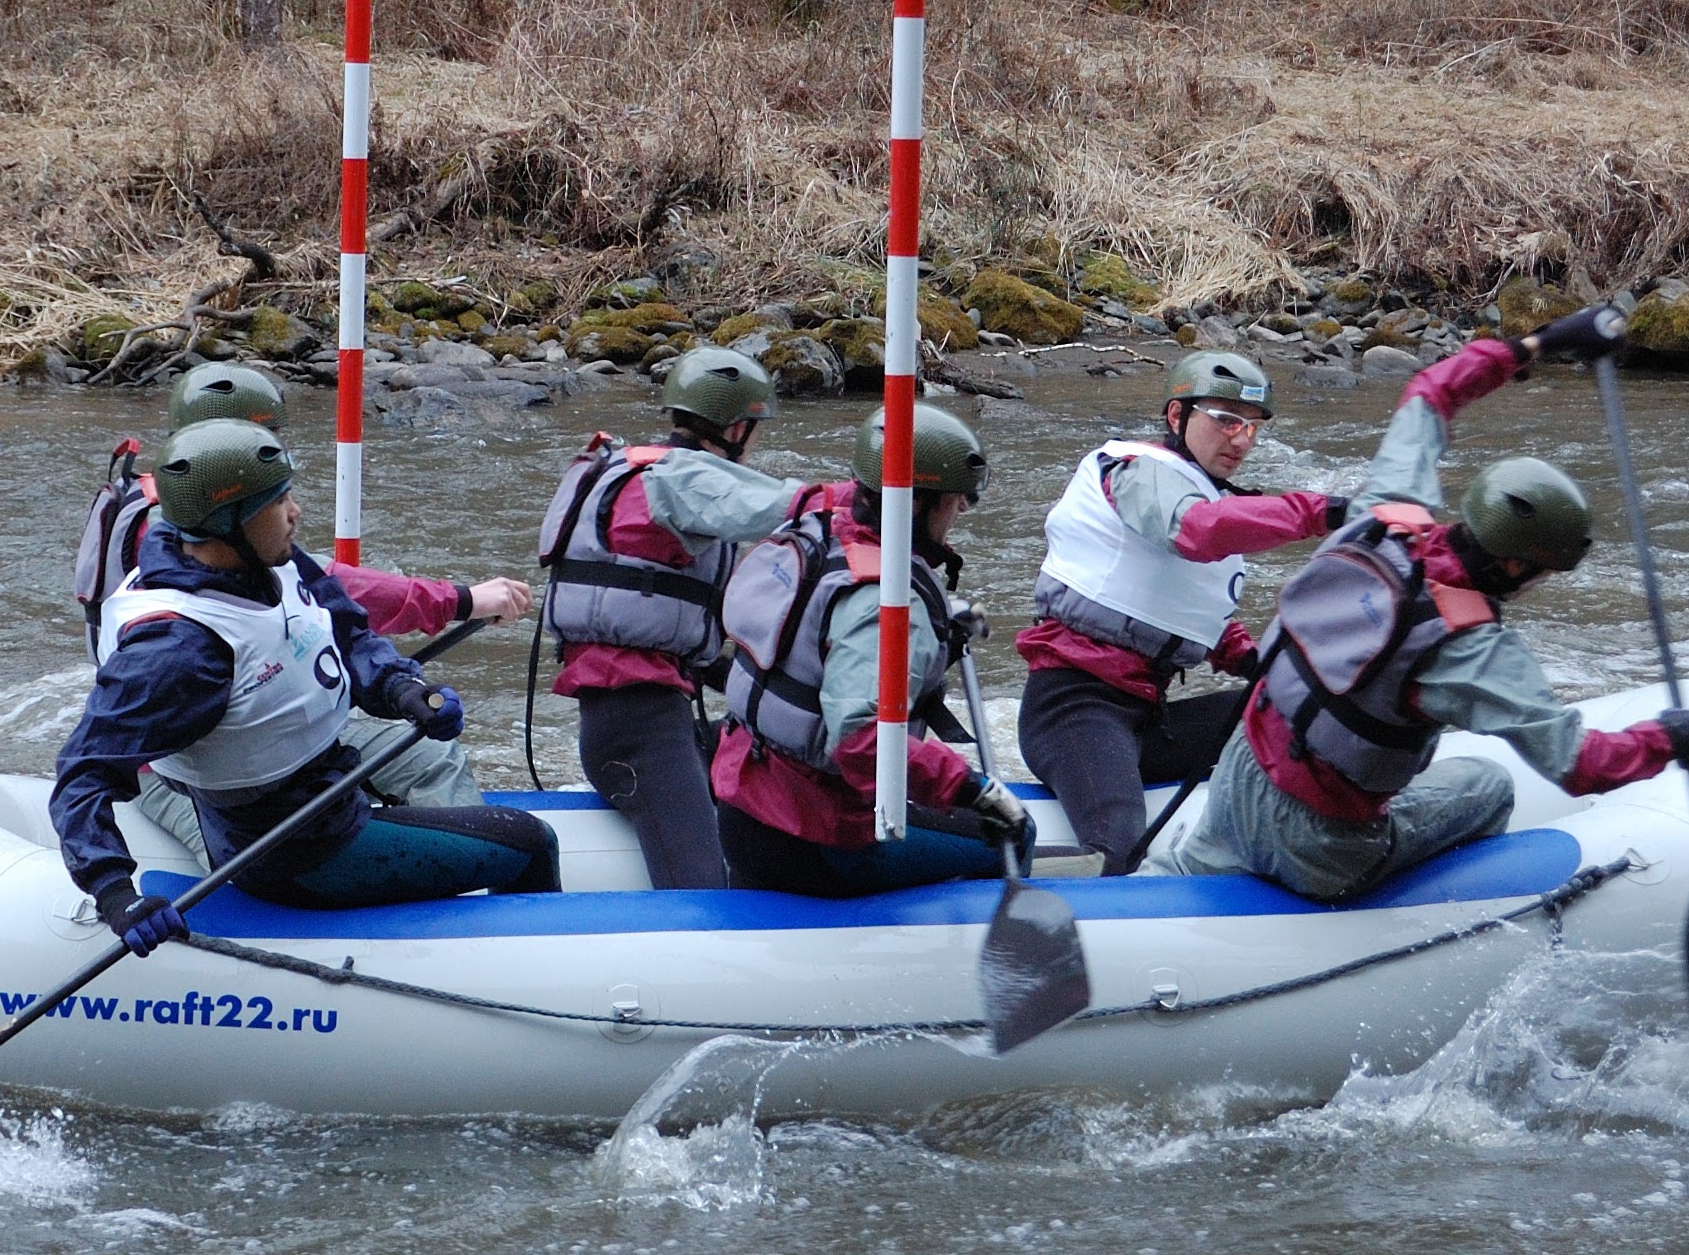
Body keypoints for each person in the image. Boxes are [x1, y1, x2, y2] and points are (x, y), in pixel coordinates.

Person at [1148, 312, 1689, 901]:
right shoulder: (1473, 648)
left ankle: (1163, 885)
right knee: (1488, 784)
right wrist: (1670, 738)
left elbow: (1431, 391)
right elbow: (1581, 765)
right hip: (1318, 844)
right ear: (1516, 566)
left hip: (1239, 777)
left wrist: (1539, 341)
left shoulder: (1383, 510)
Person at [51, 421, 557, 957]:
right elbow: (83, 773)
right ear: (228, 522)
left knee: (443, 779)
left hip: (325, 797)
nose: (295, 512)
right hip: (297, 855)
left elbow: (349, 634)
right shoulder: (178, 652)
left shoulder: (270, 565)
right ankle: (534, 968)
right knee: (529, 842)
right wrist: (115, 892)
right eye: (278, 501)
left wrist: (401, 689)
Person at [76, 361, 530, 858]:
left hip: (259, 736)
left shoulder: (213, 520)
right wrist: (460, 600)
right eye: (261, 444)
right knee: (238, 859)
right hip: (189, 770)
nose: (274, 465)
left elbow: (327, 608)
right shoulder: (195, 541)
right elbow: (345, 589)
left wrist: (397, 687)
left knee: (425, 755)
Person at [1013, 351, 1347, 874]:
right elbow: (1198, 531)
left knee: (1298, 716)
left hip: (1150, 719)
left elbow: (1191, 613)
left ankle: (1324, 845)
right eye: (1227, 420)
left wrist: (1257, 663)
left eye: (1253, 427)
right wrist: (1322, 512)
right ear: (1177, 416)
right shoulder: (1137, 470)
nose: (1242, 440)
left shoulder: (1200, 491)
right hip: (1074, 710)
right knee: (1117, 850)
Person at [709, 404, 1033, 898]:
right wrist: (972, 787)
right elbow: (860, 744)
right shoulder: (884, 604)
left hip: (743, 807)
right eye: (954, 501)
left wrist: (943, 620)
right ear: (918, 503)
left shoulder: (820, 528)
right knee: (1014, 831)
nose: (959, 513)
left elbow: (822, 635)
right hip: (816, 842)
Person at [535, 347, 806, 889]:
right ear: (736, 429)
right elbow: (787, 508)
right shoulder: (681, 482)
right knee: (700, 888)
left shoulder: (640, 469)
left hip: (636, 721)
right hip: (644, 734)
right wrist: (876, 502)